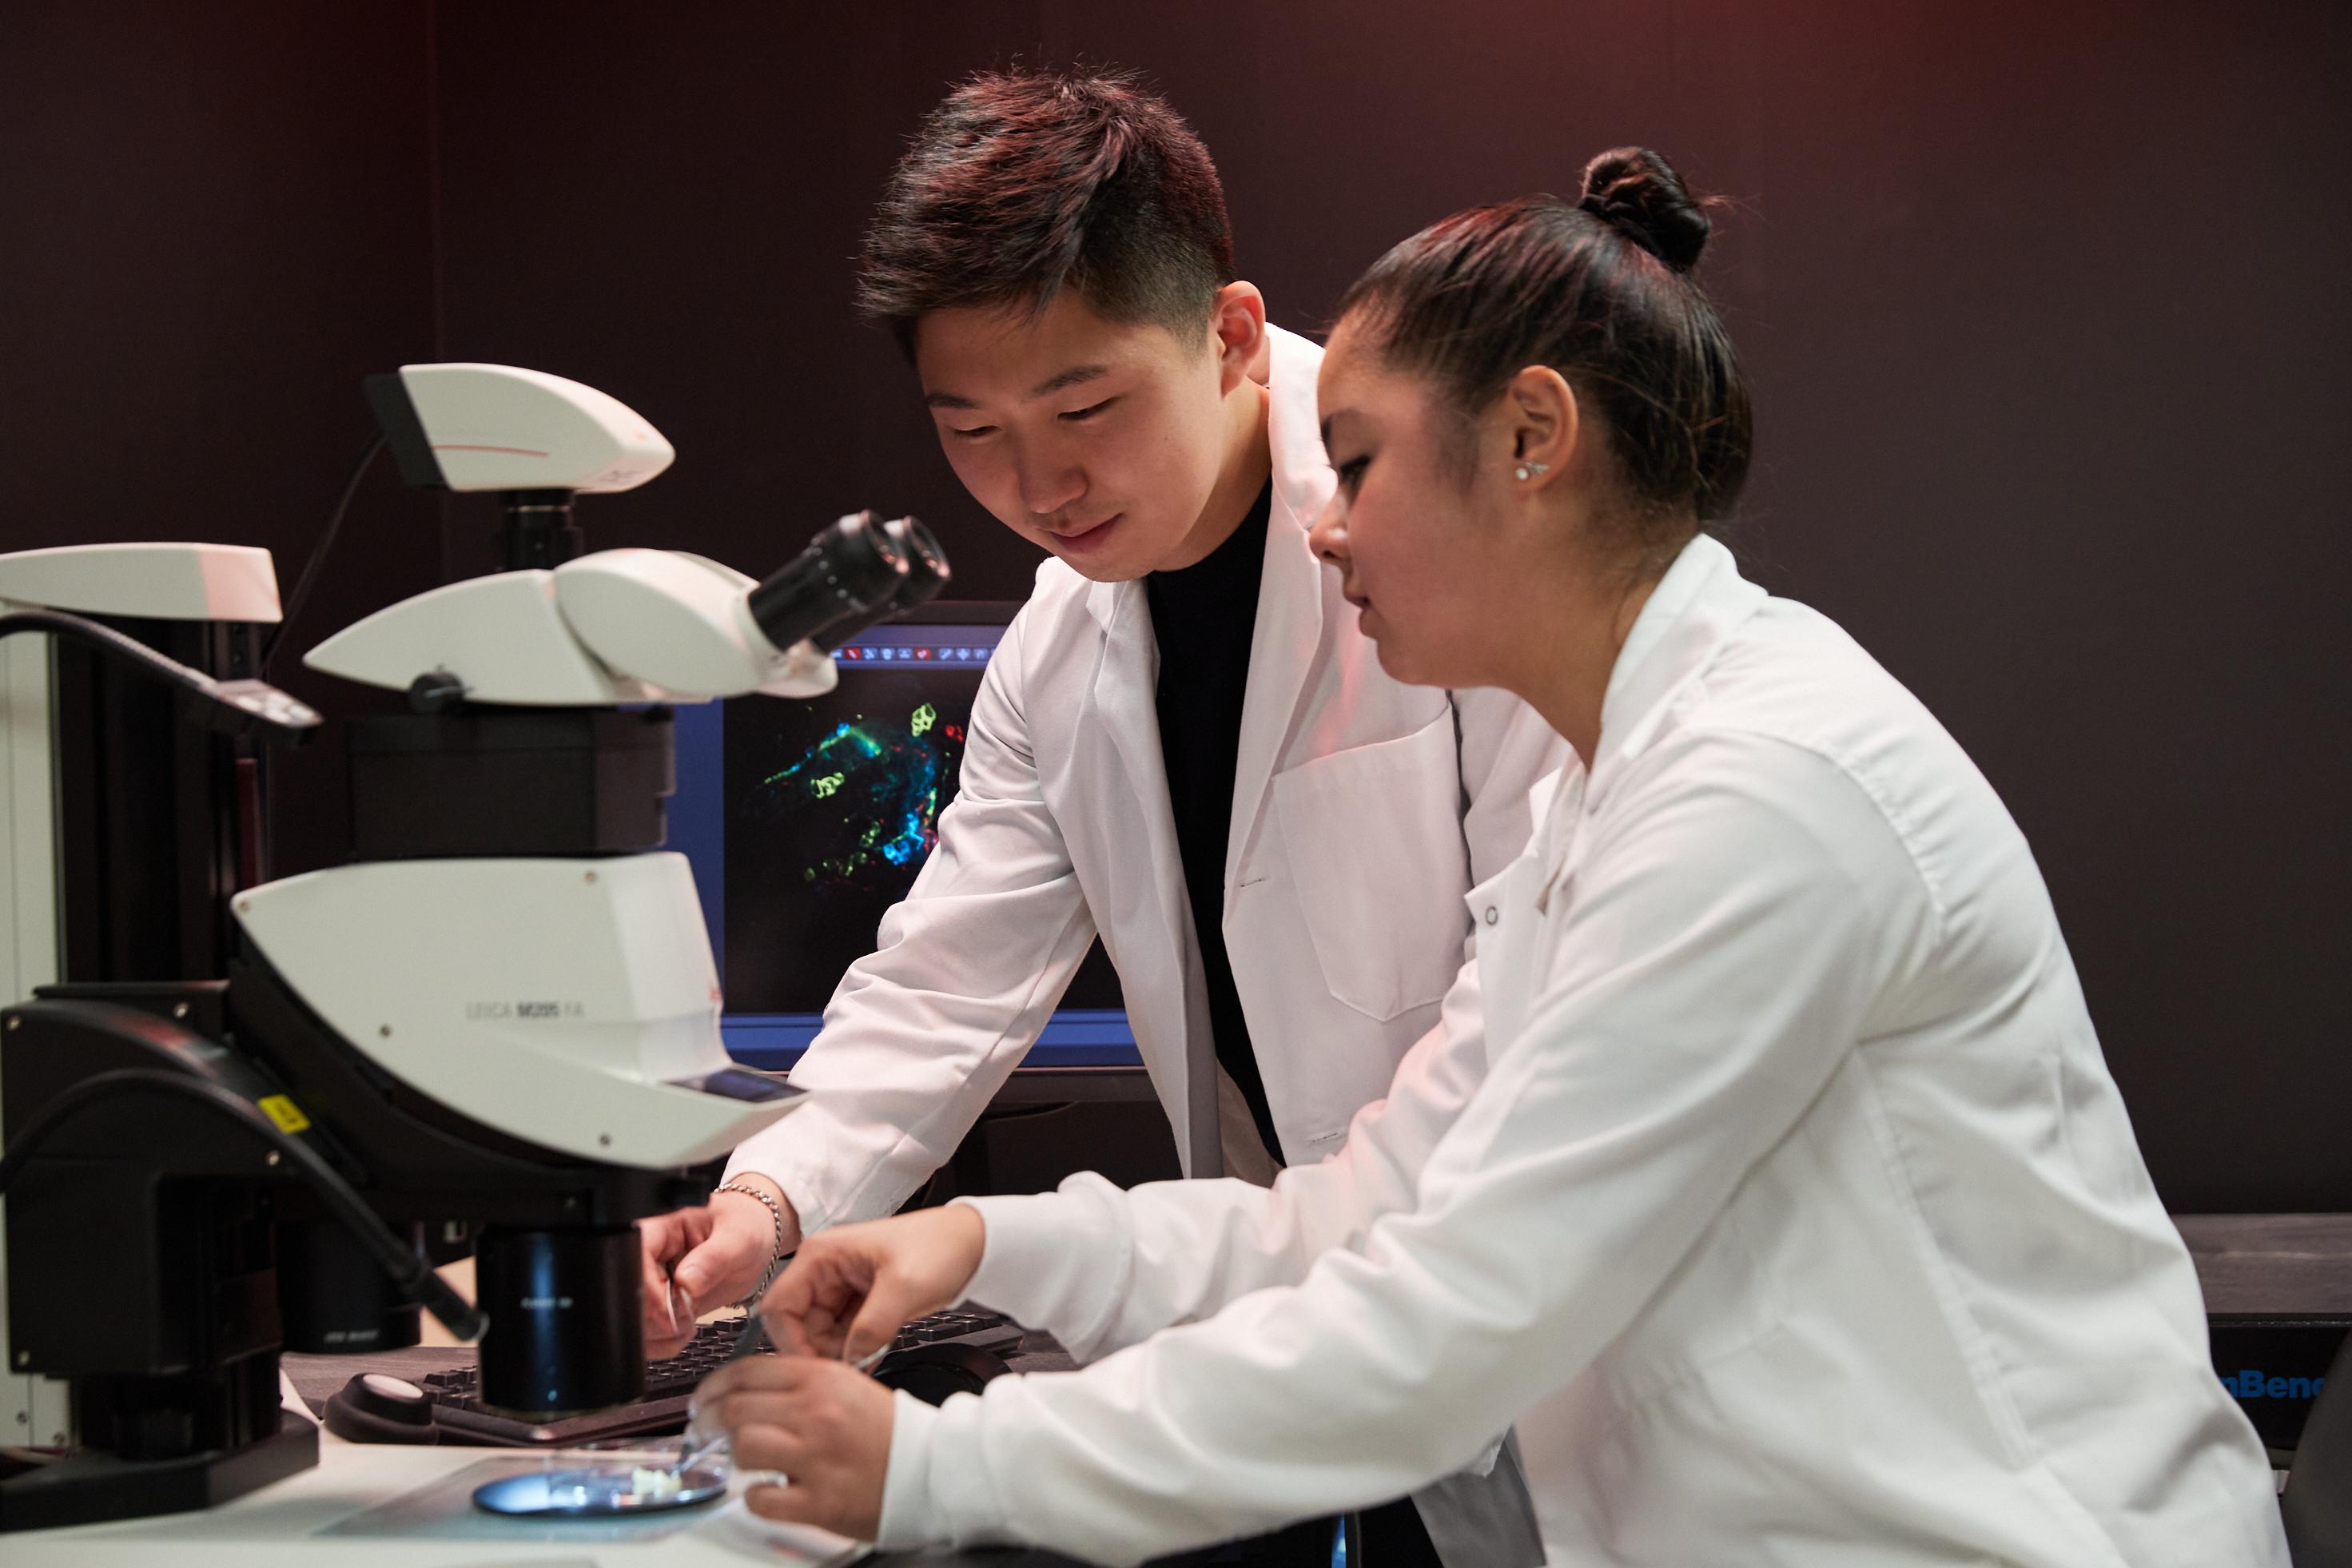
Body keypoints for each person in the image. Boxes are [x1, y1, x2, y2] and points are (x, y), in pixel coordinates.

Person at [690, 150, 2292, 1566]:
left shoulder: (1757, 795)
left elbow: (1454, 1313)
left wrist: (939, 1469)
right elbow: (1369, 1208)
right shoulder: (1616, 804)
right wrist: (979, 1240)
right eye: (973, 429)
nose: (1322, 530)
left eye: (1361, 466)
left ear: (1532, 438)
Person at [635, 67, 1561, 1565]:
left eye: (1084, 404)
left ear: (1233, 335)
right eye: (972, 430)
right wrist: (765, 1204)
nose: (1039, 482)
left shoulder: (1457, 558)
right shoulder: (1062, 648)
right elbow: (941, 988)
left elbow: (1502, 1091)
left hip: (1531, 1332)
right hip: (1326, 1329)